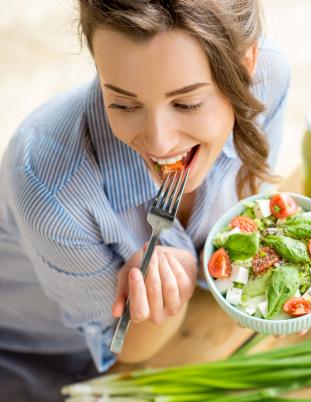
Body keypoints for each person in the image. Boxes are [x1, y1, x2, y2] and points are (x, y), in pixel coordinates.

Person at [0, 0, 289, 400]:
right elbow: (125, 348)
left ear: (246, 65)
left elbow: (246, 215)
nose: (158, 142)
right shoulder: (46, 185)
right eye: (123, 103)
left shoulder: (270, 81)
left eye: (187, 103)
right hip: (34, 360)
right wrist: (162, 291)